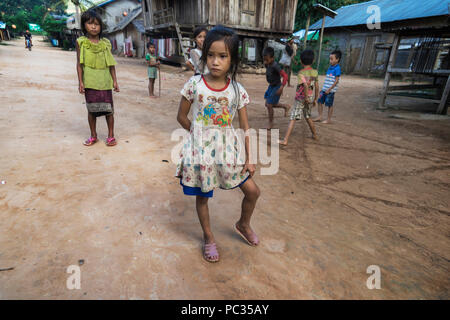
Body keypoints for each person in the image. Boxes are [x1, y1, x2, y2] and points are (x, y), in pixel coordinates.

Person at [176, 25, 261, 263]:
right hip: (201, 153)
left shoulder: (237, 90)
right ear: (204, 55)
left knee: (253, 191)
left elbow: (245, 127)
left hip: (228, 152)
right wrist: (197, 135)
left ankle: (243, 224)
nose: (215, 61)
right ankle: (208, 237)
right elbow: (181, 117)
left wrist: (249, 157)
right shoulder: (194, 85)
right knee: (203, 196)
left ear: (232, 60)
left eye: (222, 56)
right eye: (211, 55)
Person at [76, 10, 119, 147]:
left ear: (101, 26)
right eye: (90, 23)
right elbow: (79, 64)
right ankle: (93, 136)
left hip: (105, 81)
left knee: (109, 110)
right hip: (90, 81)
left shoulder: (106, 43)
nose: (94, 27)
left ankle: (111, 136)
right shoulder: (81, 42)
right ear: (84, 26)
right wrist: (80, 82)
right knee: (91, 110)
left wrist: (115, 81)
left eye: (97, 24)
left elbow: (111, 64)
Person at [279, 50, 319, 145]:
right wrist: (315, 99)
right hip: (310, 97)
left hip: (301, 98)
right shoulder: (315, 72)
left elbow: (305, 85)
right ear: (313, 61)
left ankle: (285, 140)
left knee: (293, 118)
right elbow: (317, 87)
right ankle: (315, 135)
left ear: (301, 61)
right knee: (308, 116)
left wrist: (304, 98)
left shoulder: (301, 73)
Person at [262, 46, 290, 130]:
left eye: (267, 60)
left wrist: (281, 87)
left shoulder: (275, 66)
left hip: (277, 86)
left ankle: (271, 123)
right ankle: (285, 106)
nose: (265, 62)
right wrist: (266, 63)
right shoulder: (268, 64)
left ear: (272, 58)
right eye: (264, 59)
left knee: (269, 105)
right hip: (271, 86)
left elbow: (285, 76)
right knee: (267, 104)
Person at [313, 50, 342, 124]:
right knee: (319, 101)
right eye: (330, 58)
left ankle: (328, 119)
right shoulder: (330, 67)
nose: (330, 60)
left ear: (337, 59)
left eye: (332, 59)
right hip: (324, 89)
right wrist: (323, 88)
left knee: (329, 104)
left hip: (330, 91)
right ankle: (320, 116)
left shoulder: (337, 68)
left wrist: (329, 89)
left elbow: (336, 81)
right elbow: (327, 80)